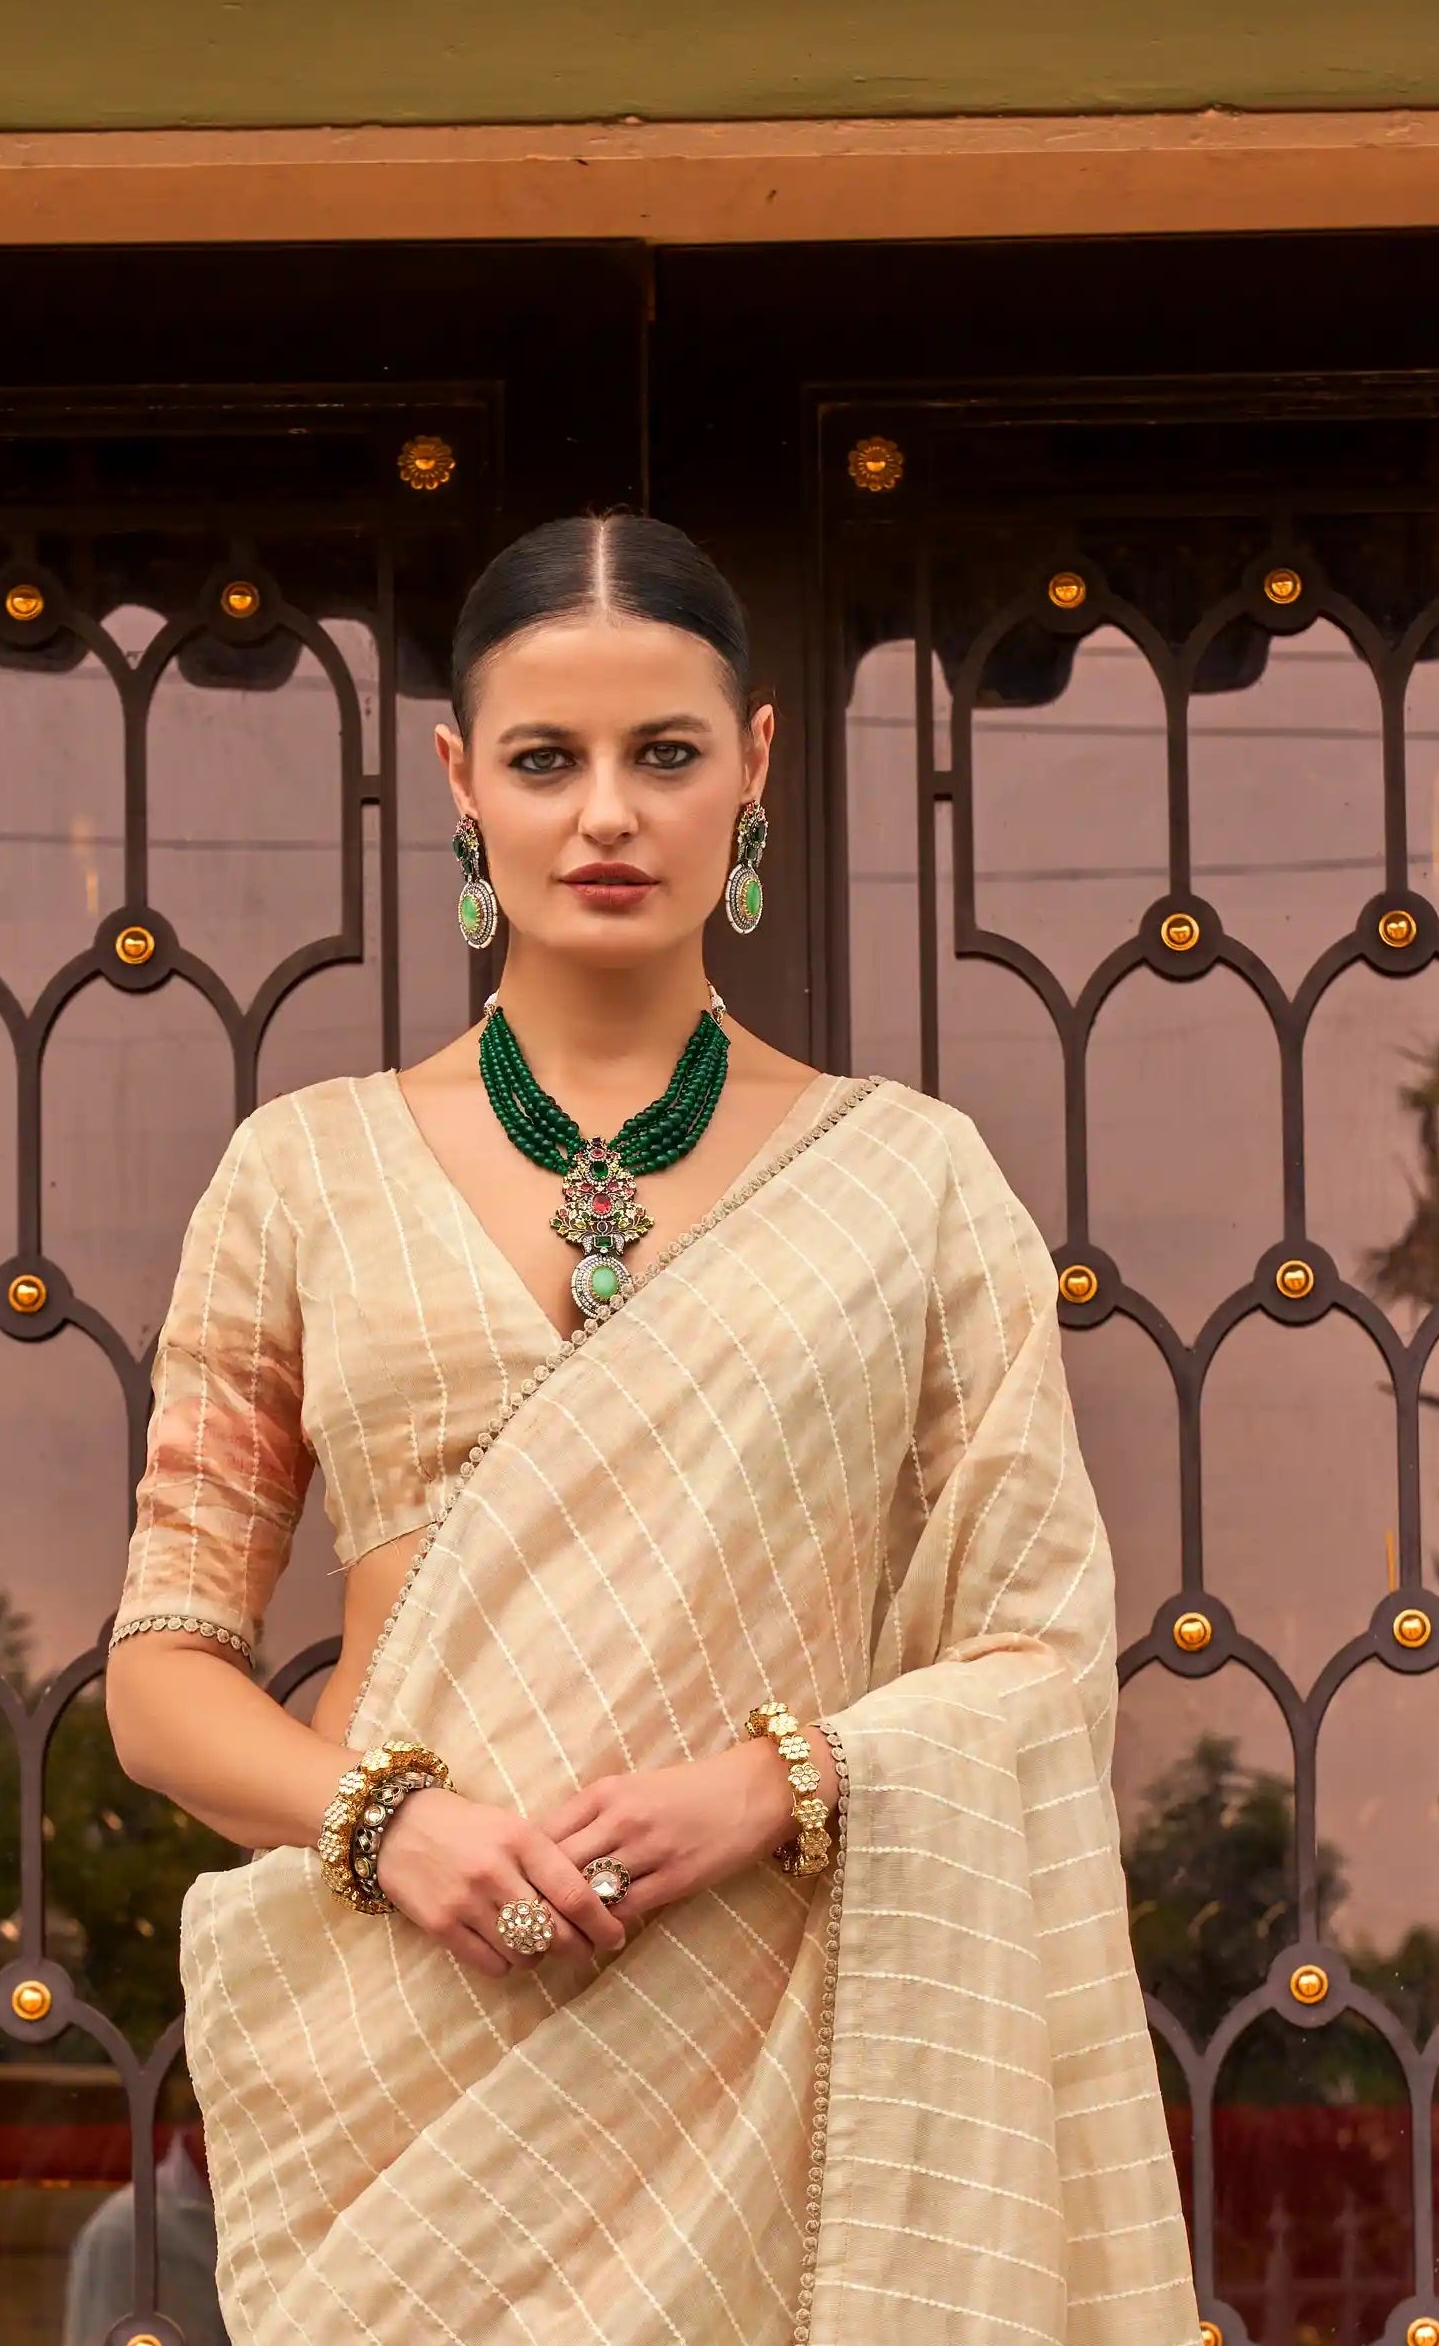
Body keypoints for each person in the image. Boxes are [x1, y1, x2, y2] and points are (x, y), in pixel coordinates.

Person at [106, 513, 1193, 2346]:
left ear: (753, 764)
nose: (605, 813)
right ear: (461, 781)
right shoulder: (300, 1175)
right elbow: (161, 1670)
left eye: (662, 755)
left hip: (775, 2068)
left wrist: (776, 1783)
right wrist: (389, 1823)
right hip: (406, 2073)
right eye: (547, 760)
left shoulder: (909, 1186)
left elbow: (1036, 1651)